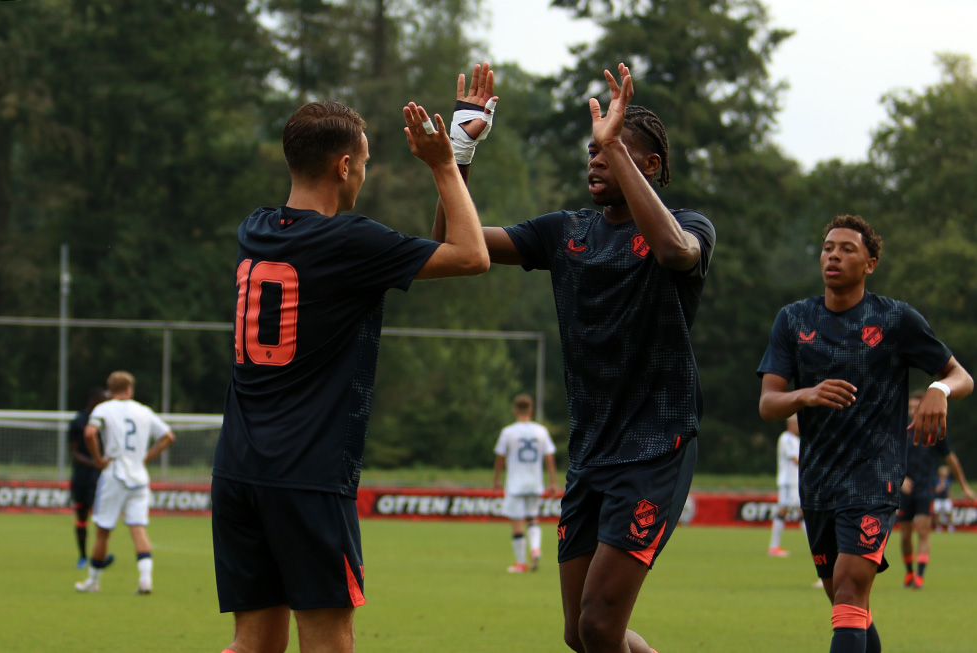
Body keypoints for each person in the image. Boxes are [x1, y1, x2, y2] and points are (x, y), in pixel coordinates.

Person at [438, 62, 716, 653]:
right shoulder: (565, 232)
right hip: (592, 450)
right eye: (593, 149)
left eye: (612, 149)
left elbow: (672, 252)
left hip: (656, 446)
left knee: (598, 625)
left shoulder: (689, 226)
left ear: (652, 167)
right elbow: (452, 242)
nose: (596, 158)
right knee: (580, 635)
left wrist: (614, 142)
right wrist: (457, 149)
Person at [210, 98, 489, 653]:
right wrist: (445, 162)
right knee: (330, 643)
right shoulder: (350, 241)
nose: (364, 172)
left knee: (254, 645)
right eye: (363, 161)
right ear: (343, 167)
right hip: (308, 478)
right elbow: (471, 254)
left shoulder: (255, 229)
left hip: (238, 471)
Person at [757, 214, 973, 653]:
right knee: (846, 603)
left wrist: (937, 389)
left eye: (847, 248)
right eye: (827, 246)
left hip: (875, 478)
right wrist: (807, 394)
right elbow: (768, 403)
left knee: (851, 592)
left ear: (870, 263)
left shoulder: (895, 319)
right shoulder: (793, 320)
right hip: (817, 482)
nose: (833, 254)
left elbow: (960, 376)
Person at [74, 371, 176, 594]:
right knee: (138, 528)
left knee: (103, 530)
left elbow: (90, 433)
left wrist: (98, 459)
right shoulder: (143, 411)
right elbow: (168, 436)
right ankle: (145, 580)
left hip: (114, 474)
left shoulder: (104, 409)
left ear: (110, 390)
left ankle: (93, 580)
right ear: (130, 389)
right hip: (139, 476)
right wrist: (146, 457)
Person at [898, 390, 977, 589]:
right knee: (905, 536)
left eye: (917, 406)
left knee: (924, 530)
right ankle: (909, 573)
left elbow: (951, 459)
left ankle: (920, 577)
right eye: (911, 407)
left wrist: (965, 486)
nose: (913, 410)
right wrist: (899, 479)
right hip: (905, 490)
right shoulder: (899, 429)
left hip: (925, 488)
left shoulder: (934, 429)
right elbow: (887, 457)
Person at [493, 393, 558, 573]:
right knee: (532, 519)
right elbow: (549, 457)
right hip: (534, 482)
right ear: (531, 410)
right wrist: (553, 482)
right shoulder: (541, 431)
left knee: (517, 523)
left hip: (515, 483)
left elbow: (500, 457)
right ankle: (535, 549)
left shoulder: (508, 432)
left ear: (515, 410)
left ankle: (521, 563)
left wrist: (497, 479)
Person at [68, 386, 109, 569]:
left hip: (102, 477)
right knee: (82, 515)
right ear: (94, 401)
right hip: (82, 477)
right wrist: (94, 462)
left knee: (102, 517)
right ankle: (83, 556)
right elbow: (73, 452)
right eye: (104, 400)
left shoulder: (107, 421)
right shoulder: (79, 421)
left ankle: (99, 556)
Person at [768, 414, 805, 558]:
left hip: (794, 482)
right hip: (789, 482)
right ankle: (773, 547)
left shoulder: (796, 440)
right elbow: (796, 459)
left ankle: (774, 546)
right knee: (796, 512)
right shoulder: (787, 438)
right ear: (791, 424)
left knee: (792, 512)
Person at [932, 465, 954, 532]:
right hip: (938, 498)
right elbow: (936, 490)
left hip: (945, 498)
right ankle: (938, 526)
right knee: (936, 512)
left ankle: (950, 526)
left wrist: (951, 498)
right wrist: (941, 486)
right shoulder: (936, 480)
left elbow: (949, 490)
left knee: (949, 512)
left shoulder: (948, 480)